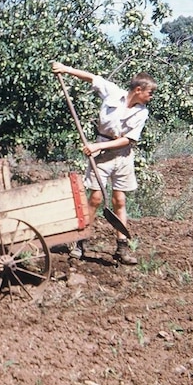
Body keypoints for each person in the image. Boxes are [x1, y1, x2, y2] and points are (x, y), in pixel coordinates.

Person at [51, 61, 157, 265]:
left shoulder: (142, 112)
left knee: (119, 201)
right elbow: (92, 77)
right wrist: (65, 69)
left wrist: (97, 147)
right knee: (96, 199)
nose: (150, 97)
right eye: (149, 93)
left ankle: (122, 247)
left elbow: (129, 140)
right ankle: (80, 244)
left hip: (123, 156)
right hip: (100, 156)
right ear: (138, 89)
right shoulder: (113, 92)